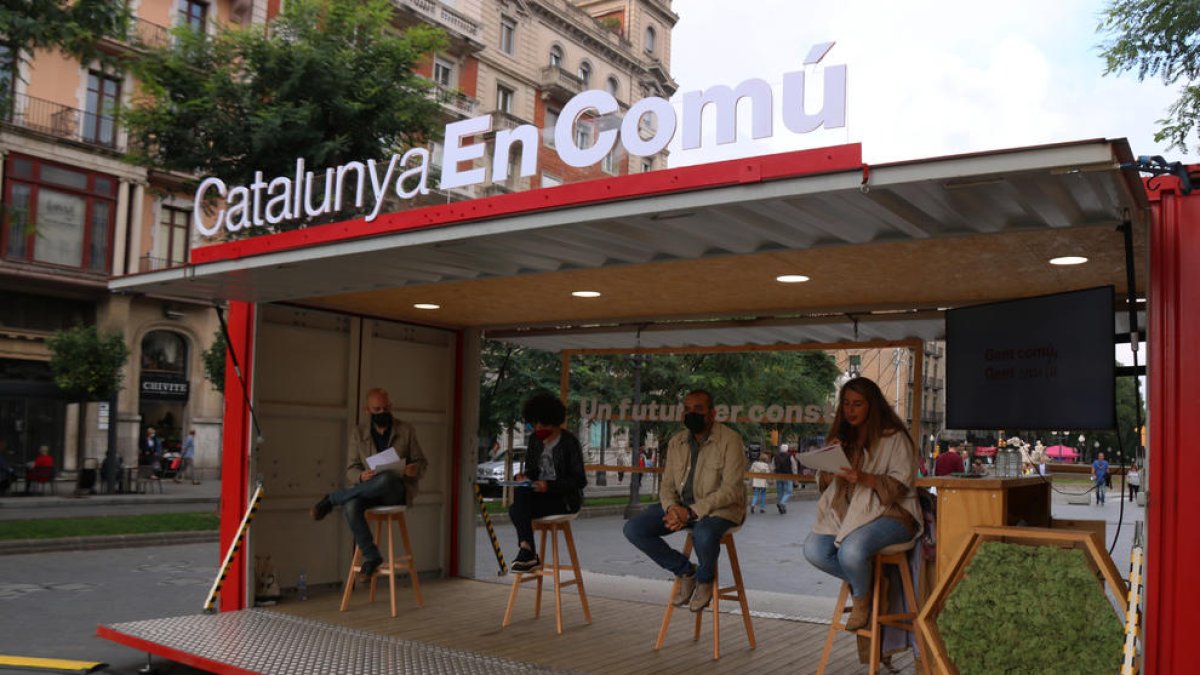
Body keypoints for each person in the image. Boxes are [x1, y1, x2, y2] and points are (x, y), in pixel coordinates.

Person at [802, 377, 922, 632]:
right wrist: (827, 461)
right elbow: (826, 484)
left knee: (851, 551)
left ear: (872, 406)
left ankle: (861, 600)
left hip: (894, 514)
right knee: (814, 550)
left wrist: (865, 478)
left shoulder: (894, 438)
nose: (850, 410)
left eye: (857, 404)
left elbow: (902, 485)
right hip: (851, 515)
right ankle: (874, 585)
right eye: (846, 404)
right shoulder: (843, 437)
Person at [623, 389, 746, 613]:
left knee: (703, 533)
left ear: (712, 414)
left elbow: (731, 490)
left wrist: (691, 512)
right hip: (682, 508)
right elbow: (667, 484)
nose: (691, 413)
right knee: (634, 528)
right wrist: (672, 508)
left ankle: (705, 579)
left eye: (698, 409)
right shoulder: (677, 441)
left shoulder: (730, 440)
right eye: (687, 409)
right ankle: (686, 571)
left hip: (720, 511)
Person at [311, 388, 428, 578]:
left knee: (388, 477)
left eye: (386, 408)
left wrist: (414, 469)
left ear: (391, 407)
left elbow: (422, 463)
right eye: (377, 409)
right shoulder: (358, 433)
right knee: (351, 505)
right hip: (368, 490)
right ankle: (372, 556)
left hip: (395, 491)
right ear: (368, 410)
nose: (382, 413)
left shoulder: (406, 430)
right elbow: (351, 469)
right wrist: (360, 476)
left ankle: (333, 498)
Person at [508, 392, 588, 573]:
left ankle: (528, 554)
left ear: (552, 421)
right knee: (519, 497)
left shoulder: (569, 442)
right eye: (533, 423)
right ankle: (527, 550)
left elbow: (579, 480)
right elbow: (532, 470)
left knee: (516, 510)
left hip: (565, 500)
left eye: (541, 423)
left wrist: (549, 486)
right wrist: (525, 477)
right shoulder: (535, 441)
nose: (537, 428)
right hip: (540, 497)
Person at [774, 445, 794, 513]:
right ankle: (782, 503)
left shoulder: (775, 456)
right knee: (789, 492)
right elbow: (793, 466)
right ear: (787, 450)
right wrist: (795, 475)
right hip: (787, 475)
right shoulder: (790, 456)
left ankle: (782, 507)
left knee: (780, 492)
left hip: (778, 476)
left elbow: (773, 466)